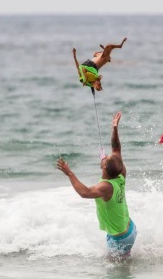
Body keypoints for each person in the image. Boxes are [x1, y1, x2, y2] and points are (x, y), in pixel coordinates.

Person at [57, 111, 137, 260]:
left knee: (116, 272)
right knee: (123, 264)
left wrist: (69, 173)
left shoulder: (105, 187)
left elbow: (85, 192)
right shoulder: (121, 173)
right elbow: (116, 148)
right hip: (130, 229)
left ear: (105, 168)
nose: (105, 156)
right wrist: (114, 129)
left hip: (120, 239)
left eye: (105, 159)